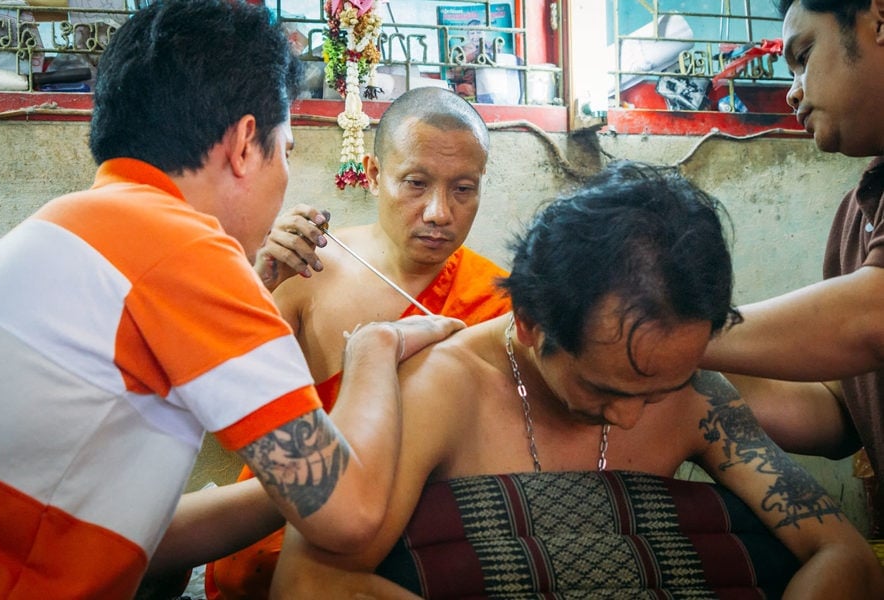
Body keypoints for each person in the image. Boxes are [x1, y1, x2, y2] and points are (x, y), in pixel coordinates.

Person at [0, 2, 463, 598]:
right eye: (287, 150)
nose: (286, 171)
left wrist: (290, 484)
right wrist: (374, 346)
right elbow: (351, 516)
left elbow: (142, 536)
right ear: (243, 144)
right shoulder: (186, 250)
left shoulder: (71, 221)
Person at [271, 160, 884, 599]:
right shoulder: (442, 389)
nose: (631, 417)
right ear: (532, 323)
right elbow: (311, 582)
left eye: (657, 390)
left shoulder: (689, 386)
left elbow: (842, 554)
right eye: (606, 390)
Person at [205, 85, 512, 600]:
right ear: (372, 174)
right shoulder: (308, 268)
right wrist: (257, 288)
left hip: (412, 542)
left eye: (464, 189)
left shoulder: (498, 302)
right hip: (283, 523)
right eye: (415, 183)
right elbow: (224, 422)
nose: (439, 212)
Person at [701, 0, 884, 535]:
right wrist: (681, 381)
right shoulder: (858, 213)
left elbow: (871, 319)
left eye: (803, 56)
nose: (793, 91)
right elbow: (839, 412)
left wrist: (665, 332)